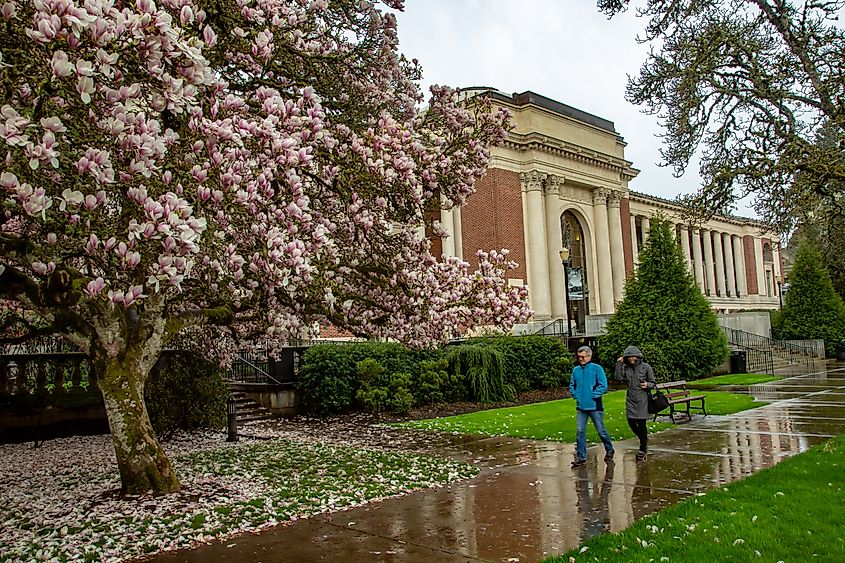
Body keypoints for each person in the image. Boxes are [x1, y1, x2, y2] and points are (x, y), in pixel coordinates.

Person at [569, 345, 614, 467]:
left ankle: (609, 449)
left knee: (601, 431)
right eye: (579, 357)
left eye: (583, 357)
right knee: (580, 431)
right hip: (581, 406)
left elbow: (603, 385)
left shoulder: (596, 369)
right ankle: (581, 456)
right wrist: (576, 395)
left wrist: (593, 395)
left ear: (589, 356)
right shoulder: (576, 370)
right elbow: (572, 385)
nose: (581, 359)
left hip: (594, 406)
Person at [614, 346, 655, 461]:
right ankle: (643, 438)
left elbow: (653, 382)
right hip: (631, 398)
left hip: (642, 398)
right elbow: (618, 378)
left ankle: (643, 447)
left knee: (641, 423)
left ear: (638, 356)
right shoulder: (625, 368)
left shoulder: (646, 367)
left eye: (634, 356)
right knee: (631, 422)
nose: (632, 358)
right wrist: (618, 364)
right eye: (629, 356)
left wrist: (648, 384)